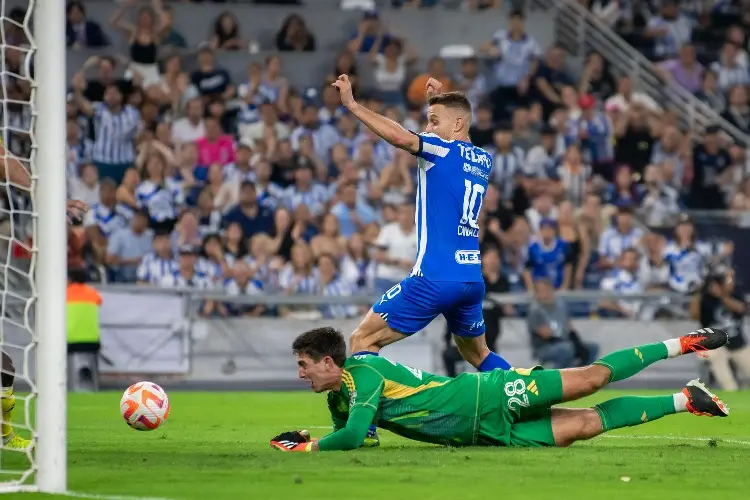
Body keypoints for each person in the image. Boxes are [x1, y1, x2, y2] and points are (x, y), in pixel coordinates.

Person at [331, 73, 511, 443]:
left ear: (458, 123)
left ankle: (364, 430)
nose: (427, 128)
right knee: (477, 352)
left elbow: (402, 139)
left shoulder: (438, 148)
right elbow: (438, 143)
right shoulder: (482, 159)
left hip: (433, 276)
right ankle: (527, 400)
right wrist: (434, 108)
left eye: (434, 120)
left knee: (363, 340)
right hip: (470, 278)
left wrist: (351, 105)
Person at [270, 326, 729, 452]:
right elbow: (359, 437)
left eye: (304, 365)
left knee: (592, 379)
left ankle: (684, 343)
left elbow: (350, 438)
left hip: (486, 395)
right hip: (484, 434)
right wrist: (321, 438)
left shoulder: (362, 375)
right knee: (586, 426)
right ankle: (687, 400)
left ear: (328, 361)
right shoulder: (338, 398)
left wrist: (309, 450)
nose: (300, 374)